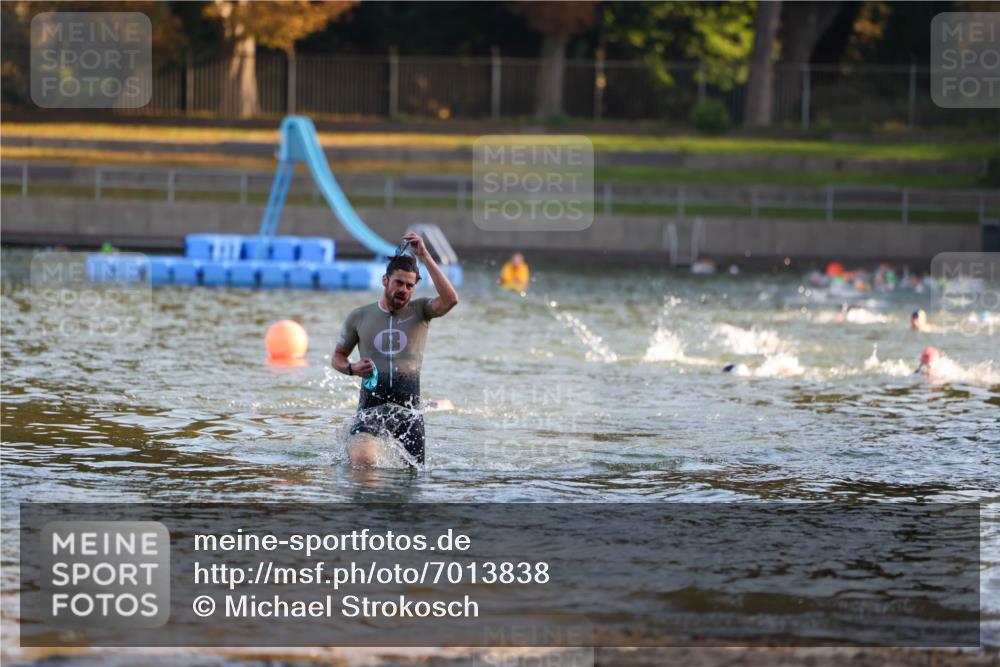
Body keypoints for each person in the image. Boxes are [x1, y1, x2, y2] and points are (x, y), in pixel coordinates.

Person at [333, 232, 459, 466]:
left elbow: (450, 299)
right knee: (363, 462)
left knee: (411, 481)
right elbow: (337, 357)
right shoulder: (359, 317)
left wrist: (424, 255)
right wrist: (351, 368)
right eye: (399, 283)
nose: (404, 290)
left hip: (409, 416)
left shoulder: (421, 311)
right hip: (370, 412)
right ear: (385, 280)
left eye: (410, 285)